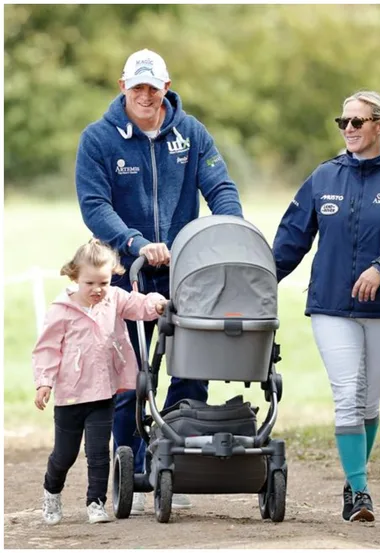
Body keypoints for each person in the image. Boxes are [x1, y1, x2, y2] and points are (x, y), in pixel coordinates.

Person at [75, 48, 243, 514]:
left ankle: (173, 461)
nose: (145, 96)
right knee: (130, 376)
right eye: (137, 88)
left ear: (166, 87)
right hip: (127, 274)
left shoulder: (191, 134)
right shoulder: (98, 140)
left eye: (153, 87)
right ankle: (127, 467)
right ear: (122, 87)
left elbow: (221, 188)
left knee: (192, 368)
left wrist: (231, 231)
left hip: (187, 273)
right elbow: (94, 204)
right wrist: (133, 242)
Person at [273, 90, 380, 522]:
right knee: (347, 395)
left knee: (367, 402)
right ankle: (361, 494)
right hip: (330, 306)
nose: (348, 129)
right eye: (342, 122)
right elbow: (291, 239)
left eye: (357, 122)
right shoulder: (324, 177)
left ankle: (353, 479)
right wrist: (258, 280)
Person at [33, 239, 167, 525]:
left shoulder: (114, 298)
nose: (97, 290)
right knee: (64, 455)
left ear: (112, 277)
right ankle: (51, 491)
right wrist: (44, 382)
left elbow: (138, 304)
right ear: (75, 278)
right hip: (70, 397)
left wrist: (155, 303)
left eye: (103, 282)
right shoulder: (62, 309)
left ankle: (96, 502)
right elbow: (47, 349)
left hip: (103, 393)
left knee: (98, 453)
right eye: (89, 283)